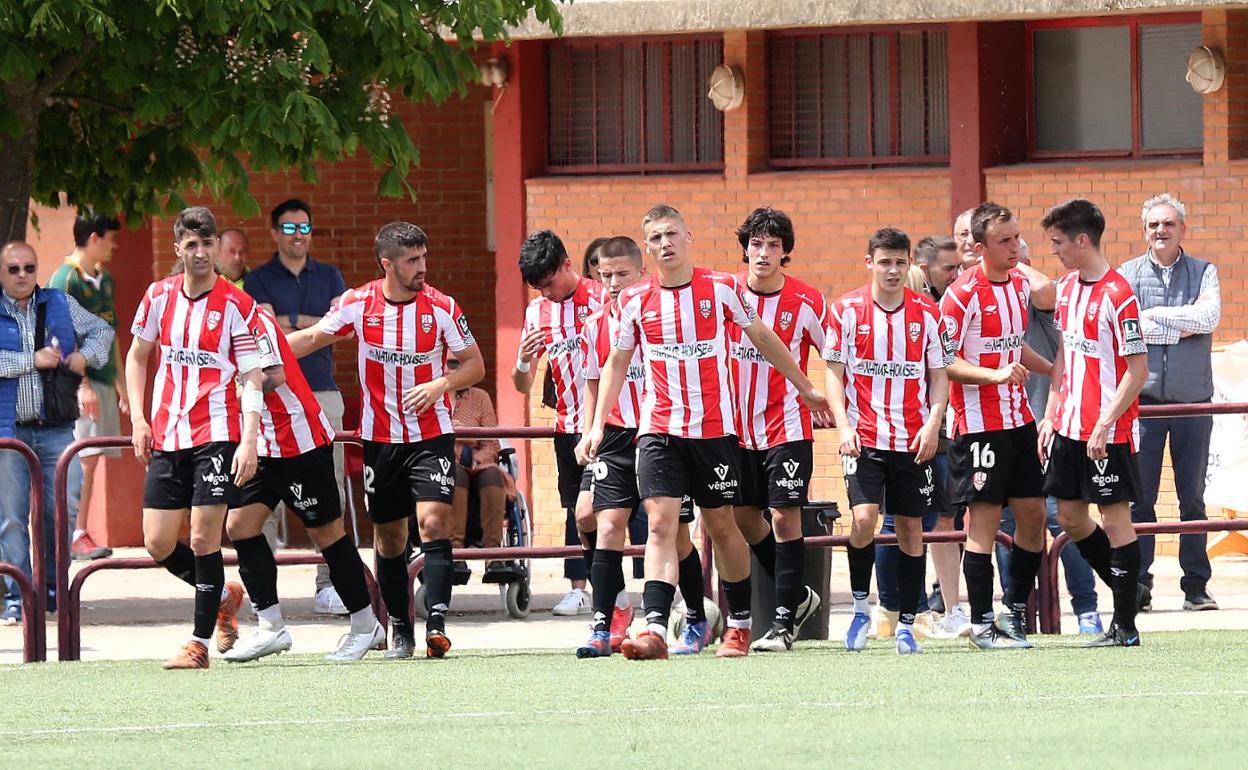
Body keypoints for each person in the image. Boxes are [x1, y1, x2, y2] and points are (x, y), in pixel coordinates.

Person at [580, 205, 830, 661]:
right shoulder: (635, 300)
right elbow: (616, 362)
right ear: (648, 246)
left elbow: (764, 337)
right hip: (659, 431)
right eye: (655, 238)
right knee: (660, 524)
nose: (665, 244)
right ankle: (655, 627)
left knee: (722, 525)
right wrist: (596, 424)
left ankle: (738, 625)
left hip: (715, 432)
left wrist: (806, 387)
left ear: (688, 235)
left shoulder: (721, 288)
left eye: (671, 233)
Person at [288, 221, 485, 660]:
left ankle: (436, 622)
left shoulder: (442, 308)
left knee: (434, 523)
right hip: (379, 440)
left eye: (423, 258)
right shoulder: (359, 303)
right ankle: (400, 629)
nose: (422, 268)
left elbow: (474, 365)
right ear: (388, 264)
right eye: (413, 260)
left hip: (431, 434)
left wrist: (439, 386)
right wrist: (261, 352)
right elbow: (314, 337)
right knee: (390, 540)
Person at [124, 207, 268, 668]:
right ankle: (225, 594)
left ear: (216, 248)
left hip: (219, 433)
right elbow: (136, 356)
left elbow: (252, 376)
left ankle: (198, 645)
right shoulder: (159, 296)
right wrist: (139, 420)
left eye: (208, 244)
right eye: (193, 244)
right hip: (168, 432)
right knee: (158, 542)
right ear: (178, 248)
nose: (201, 252)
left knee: (206, 539)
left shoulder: (236, 305)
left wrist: (248, 440)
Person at [222, 306, 385, 662]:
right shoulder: (200, 324)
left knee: (326, 534)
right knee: (240, 525)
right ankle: (270, 627)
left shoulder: (250, 317)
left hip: (299, 439)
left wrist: (221, 394)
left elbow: (274, 375)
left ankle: (365, 625)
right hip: (262, 443)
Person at [823, 227, 951, 655]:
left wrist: (933, 423)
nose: (892, 270)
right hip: (865, 438)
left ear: (909, 265)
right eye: (884, 262)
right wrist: (843, 425)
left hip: (912, 439)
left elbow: (939, 375)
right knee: (863, 520)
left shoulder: (927, 313)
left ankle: (906, 624)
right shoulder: (846, 310)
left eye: (900, 262)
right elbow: (833, 373)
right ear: (869, 263)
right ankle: (861, 608)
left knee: (912, 529)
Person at [941, 202, 1053, 649]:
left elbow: (1012, 344)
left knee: (1033, 518)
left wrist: (1051, 368)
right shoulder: (961, 293)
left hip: (1019, 420)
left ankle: (1015, 612)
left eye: (1017, 238)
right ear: (980, 245)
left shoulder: (1018, 284)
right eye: (1004, 240)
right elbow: (944, 360)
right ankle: (982, 622)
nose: (1015, 247)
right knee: (982, 524)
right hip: (977, 427)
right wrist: (994, 375)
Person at [1039, 198, 1148, 648]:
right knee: (1068, 515)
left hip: (1109, 429)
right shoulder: (1065, 288)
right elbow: (1065, 352)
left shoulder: (1120, 295)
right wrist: (1050, 410)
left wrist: (1106, 421)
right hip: (1068, 425)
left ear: (1082, 240)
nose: (1056, 251)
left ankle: (1125, 626)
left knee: (1115, 518)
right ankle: (1131, 589)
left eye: (1059, 243)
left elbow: (1137, 370)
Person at [243, 200, 349, 615]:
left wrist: (296, 324)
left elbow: (338, 330)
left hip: (321, 392)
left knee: (332, 488)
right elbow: (268, 335)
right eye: (288, 229)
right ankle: (264, 593)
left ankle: (331, 586)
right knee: (259, 497)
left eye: (305, 227)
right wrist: (315, 324)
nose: (298, 235)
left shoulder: (331, 275)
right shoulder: (259, 279)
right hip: (269, 398)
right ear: (274, 234)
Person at [0, 241, 114, 626]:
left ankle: (51, 596)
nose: (21, 275)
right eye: (13, 269)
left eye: (28, 268)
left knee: (60, 511)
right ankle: (18, 600)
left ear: (37, 270)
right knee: (12, 520)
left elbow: (103, 330)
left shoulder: (59, 303)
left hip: (56, 431)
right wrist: (29, 361)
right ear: (2, 273)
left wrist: (86, 357)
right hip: (8, 431)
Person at [727, 207, 825, 652]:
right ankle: (800, 595)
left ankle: (783, 622)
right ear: (745, 248)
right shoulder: (725, 294)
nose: (762, 253)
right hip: (731, 430)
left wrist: (833, 406)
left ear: (785, 251)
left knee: (786, 516)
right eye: (756, 244)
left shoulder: (806, 301)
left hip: (786, 426)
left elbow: (838, 359)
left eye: (772, 245)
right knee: (744, 517)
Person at [1119, 193, 1221, 612]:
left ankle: (1195, 586)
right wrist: (1180, 321)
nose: (1161, 231)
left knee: (1192, 498)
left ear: (1183, 229)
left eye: (1169, 224)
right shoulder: (1126, 273)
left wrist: (1154, 317)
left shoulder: (1204, 271)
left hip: (1193, 403)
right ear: (1145, 231)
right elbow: (1128, 329)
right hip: (1142, 405)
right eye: (1154, 225)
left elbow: (1209, 318)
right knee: (1139, 500)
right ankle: (1139, 586)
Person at [996, 240, 1103, 635]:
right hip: (1004, 430)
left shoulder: (1040, 302)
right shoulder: (985, 304)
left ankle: (1087, 609)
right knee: (1008, 528)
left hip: (1049, 426)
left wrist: (1011, 267)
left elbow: (1048, 292)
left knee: (1065, 522)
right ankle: (1016, 613)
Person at [512, 231, 608, 616]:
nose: (545, 292)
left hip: (607, 425)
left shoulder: (602, 298)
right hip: (566, 425)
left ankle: (619, 590)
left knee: (602, 509)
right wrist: (521, 360)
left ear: (567, 264)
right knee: (575, 510)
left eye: (548, 283)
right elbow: (522, 384)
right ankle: (582, 588)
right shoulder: (537, 313)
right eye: (538, 287)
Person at [48, 213, 126, 562]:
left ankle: (76, 531)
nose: (114, 245)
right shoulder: (65, 279)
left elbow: (112, 333)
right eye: (110, 238)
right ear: (94, 238)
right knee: (81, 459)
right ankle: (71, 533)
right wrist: (82, 386)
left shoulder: (104, 279)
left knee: (93, 459)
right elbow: (60, 336)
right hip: (81, 383)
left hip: (105, 378)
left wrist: (122, 384)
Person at [447, 355, 509, 558]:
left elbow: (492, 442)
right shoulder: (431, 396)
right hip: (445, 461)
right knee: (455, 474)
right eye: (447, 362)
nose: (450, 368)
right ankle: (455, 551)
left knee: (492, 475)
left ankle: (493, 553)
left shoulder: (480, 397)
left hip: (477, 460)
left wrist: (475, 455)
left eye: (456, 363)